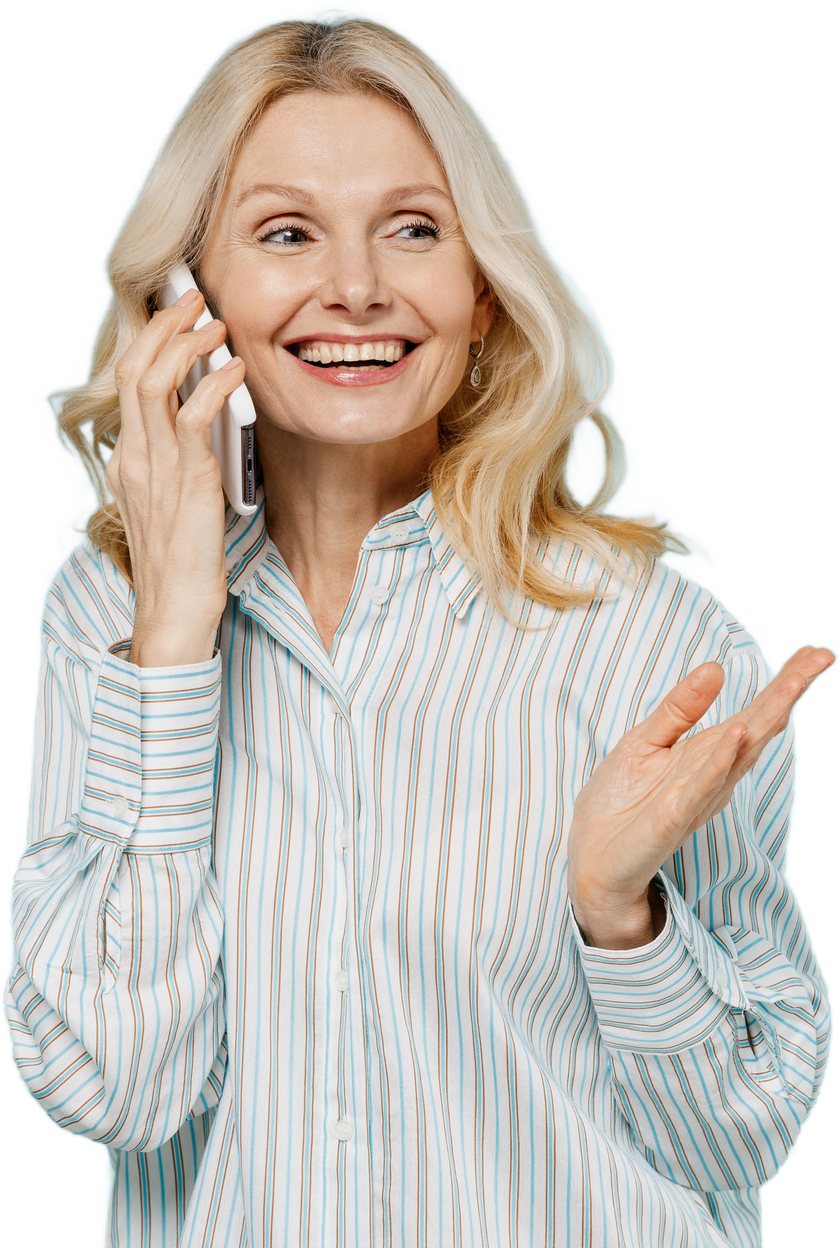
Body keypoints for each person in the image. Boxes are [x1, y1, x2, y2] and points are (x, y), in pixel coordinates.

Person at [5, 8, 834, 1247]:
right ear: (188, 296)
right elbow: (110, 1087)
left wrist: (623, 919)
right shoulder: (104, 617)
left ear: (483, 291)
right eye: (287, 232)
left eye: (413, 229)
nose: (356, 287)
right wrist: (173, 636)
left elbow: (740, 1135)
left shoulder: (648, 637)